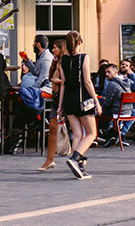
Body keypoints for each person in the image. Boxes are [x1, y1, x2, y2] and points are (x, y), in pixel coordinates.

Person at [58, 30, 101, 180]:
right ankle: (76, 159)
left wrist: (60, 105)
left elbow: (63, 84)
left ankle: (79, 165)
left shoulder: (62, 59)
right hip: (83, 99)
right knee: (91, 133)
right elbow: (87, 81)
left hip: (68, 100)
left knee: (77, 134)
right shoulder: (84, 57)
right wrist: (96, 101)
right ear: (80, 42)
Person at [38, 38, 67, 172]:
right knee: (52, 129)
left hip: (66, 98)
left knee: (75, 129)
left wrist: (59, 81)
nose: (53, 50)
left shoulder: (66, 62)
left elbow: (71, 81)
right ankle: (49, 160)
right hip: (56, 97)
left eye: (56, 47)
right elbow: (49, 77)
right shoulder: (55, 63)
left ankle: (79, 157)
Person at [95, 63, 132, 147]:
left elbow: (107, 103)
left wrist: (100, 103)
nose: (106, 74)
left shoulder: (112, 84)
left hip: (116, 112)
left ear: (115, 72)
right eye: (106, 72)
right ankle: (115, 133)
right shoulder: (127, 82)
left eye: (109, 72)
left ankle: (99, 136)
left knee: (94, 112)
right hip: (128, 112)